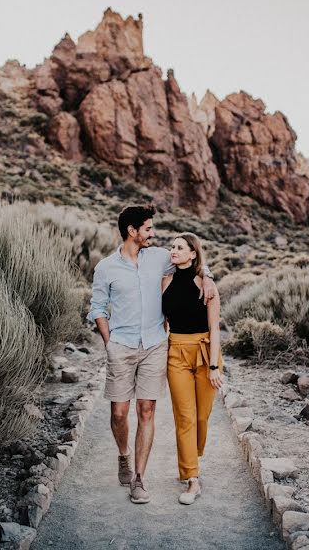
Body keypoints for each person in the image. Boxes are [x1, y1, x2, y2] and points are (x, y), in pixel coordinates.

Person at [87, 206, 217, 504]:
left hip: (156, 346)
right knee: (119, 413)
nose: (153, 234)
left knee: (146, 411)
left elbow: (192, 261)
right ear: (132, 231)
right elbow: (97, 308)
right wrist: (109, 342)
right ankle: (124, 455)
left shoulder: (159, 257)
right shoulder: (106, 267)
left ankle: (139, 479)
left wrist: (207, 275)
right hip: (121, 345)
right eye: (147, 229)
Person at [161, 233, 223, 505]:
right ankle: (191, 478)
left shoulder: (207, 285)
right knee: (185, 417)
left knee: (202, 417)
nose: (173, 251)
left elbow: (215, 328)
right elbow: (159, 322)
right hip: (176, 353)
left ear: (193, 253)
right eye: (171, 247)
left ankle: (191, 458)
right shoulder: (164, 282)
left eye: (179, 247)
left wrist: (213, 366)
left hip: (205, 352)